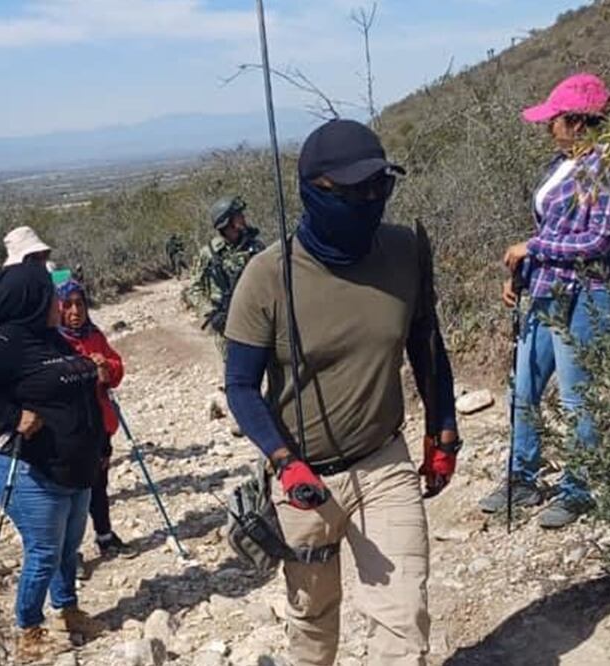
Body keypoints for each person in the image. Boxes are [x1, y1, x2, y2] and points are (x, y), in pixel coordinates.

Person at [224, 119, 462, 666]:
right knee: (312, 623)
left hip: (384, 464)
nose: (368, 200)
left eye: (378, 187)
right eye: (351, 190)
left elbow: (426, 343)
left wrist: (442, 428)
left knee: (404, 621)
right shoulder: (267, 277)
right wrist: (283, 461)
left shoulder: (405, 250)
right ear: (312, 189)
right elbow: (240, 385)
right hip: (302, 479)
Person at [478, 73, 610, 529]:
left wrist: (534, 250)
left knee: (575, 397)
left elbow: (600, 240)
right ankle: (522, 476)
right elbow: (552, 230)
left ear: (580, 121)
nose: (549, 128)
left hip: (588, 294)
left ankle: (578, 488)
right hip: (546, 290)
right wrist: (523, 274)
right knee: (523, 386)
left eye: (556, 120)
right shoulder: (560, 164)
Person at [0, 259, 107, 662]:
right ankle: (29, 630)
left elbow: (75, 389)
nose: (60, 302)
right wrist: (11, 418)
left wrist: (100, 443)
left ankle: (67, 610)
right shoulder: (6, 343)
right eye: (51, 294)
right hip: (31, 470)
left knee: (69, 546)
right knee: (44, 552)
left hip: (74, 468)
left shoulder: (53, 338)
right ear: (34, 299)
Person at [56, 279, 136, 561]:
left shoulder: (94, 334)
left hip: (99, 424)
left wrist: (105, 366)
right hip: (68, 428)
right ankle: (70, 553)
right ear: (58, 307)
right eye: (68, 305)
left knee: (98, 484)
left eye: (80, 304)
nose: (75, 311)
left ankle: (105, 536)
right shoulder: (53, 339)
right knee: (71, 491)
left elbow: (116, 367)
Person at [185, 196, 266, 358]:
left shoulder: (255, 247)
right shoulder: (209, 253)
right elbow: (194, 289)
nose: (243, 218)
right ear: (227, 222)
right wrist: (211, 313)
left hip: (259, 317)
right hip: (227, 324)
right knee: (238, 373)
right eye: (238, 216)